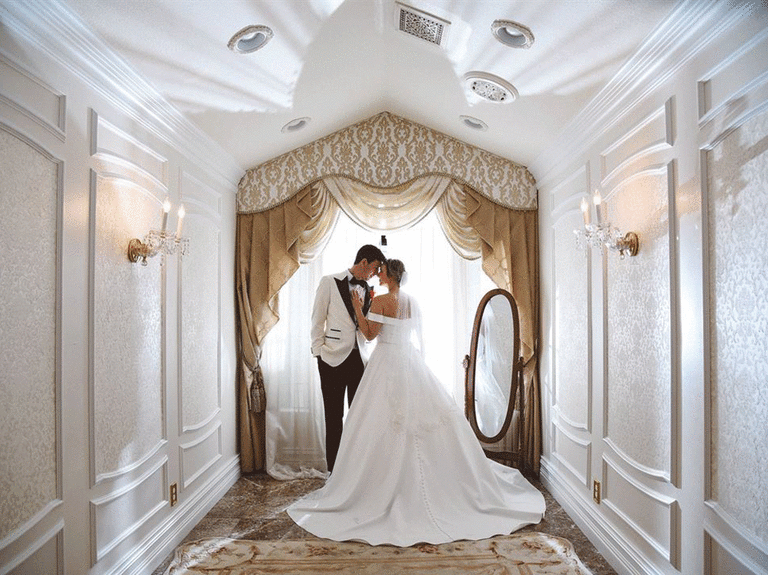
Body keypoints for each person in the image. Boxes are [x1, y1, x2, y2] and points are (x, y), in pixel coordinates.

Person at [290, 259, 545, 546]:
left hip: (385, 362)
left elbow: (370, 335)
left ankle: (375, 487)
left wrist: (359, 308)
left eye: (381, 271)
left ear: (389, 275)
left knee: (378, 422)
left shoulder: (382, 300)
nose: (378, 274)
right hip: (409, 361)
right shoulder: (413, 301)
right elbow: (416, 337)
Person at [310, 244, 386, 473]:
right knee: (334, 419)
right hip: (331, 359)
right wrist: (319, 354)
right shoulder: (329, 282)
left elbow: (366, 329)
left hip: (359, 361)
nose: (374, 274)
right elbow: (316, 321)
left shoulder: (368, 289)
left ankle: (355, 472)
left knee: (359, 419)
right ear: (364, 262)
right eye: (374, 268)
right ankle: (334, 473)